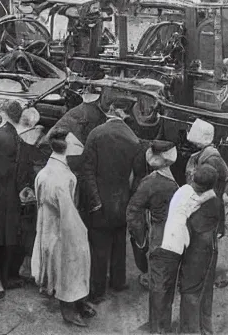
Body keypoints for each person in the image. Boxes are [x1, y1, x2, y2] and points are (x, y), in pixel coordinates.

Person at [81, 97, 144, 302]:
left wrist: (95, 200)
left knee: (99, 247)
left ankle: (98, 291)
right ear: (125, 114)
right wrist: (131, 198)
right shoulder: (134, 140)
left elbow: (87, 172)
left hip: (100, 201)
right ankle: (118, 281)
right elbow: (139, 175)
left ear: (111, 109)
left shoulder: (95, 135)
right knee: (119, 242)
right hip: (122, 200)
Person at [32, 131, 95, 327]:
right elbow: (67, 209)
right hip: (63, 223)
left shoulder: (44, 171)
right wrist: (78, 232)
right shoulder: (63, 178)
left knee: (55, 262)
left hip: (47, 222)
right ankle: (68, 308)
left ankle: (77, 301)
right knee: (70, 263)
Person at [150, 165, 217, 334]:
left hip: (169, 244)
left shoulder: (184, 190)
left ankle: (160, 328)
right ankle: (188, 330)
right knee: (189, 290)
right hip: (176, 247)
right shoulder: (204, 201)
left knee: (163, 288)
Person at [126, 140, 180, 292]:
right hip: (176, 223)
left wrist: (140, 237)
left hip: (159, 226)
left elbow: (133, 211)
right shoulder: (175, 176)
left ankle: (156, 283)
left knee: (157, 257)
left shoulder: (149, 183)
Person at [0, 100, 27, 291]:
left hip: (1, 194)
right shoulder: (12, 134)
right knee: (8, 236)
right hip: (10, 193)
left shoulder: (1, 137)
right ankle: (5, 276)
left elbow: (0, 171)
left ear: (5, 113)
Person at [179, 166, 223, 334]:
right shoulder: (216, 199)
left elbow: (184, 234)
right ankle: (205, 328)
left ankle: (190, 331)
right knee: (206, 289)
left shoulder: (192, 203)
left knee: (190, 290)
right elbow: (221, 231)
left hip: (195, 253)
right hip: (211, 250)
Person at [14, 107, 47, 281]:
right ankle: (28, 267)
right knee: (30, 231)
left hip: (23, 192)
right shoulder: (38, 145)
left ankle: (24, 266)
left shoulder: (18, 141)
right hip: (31, 193)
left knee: (24, 230)